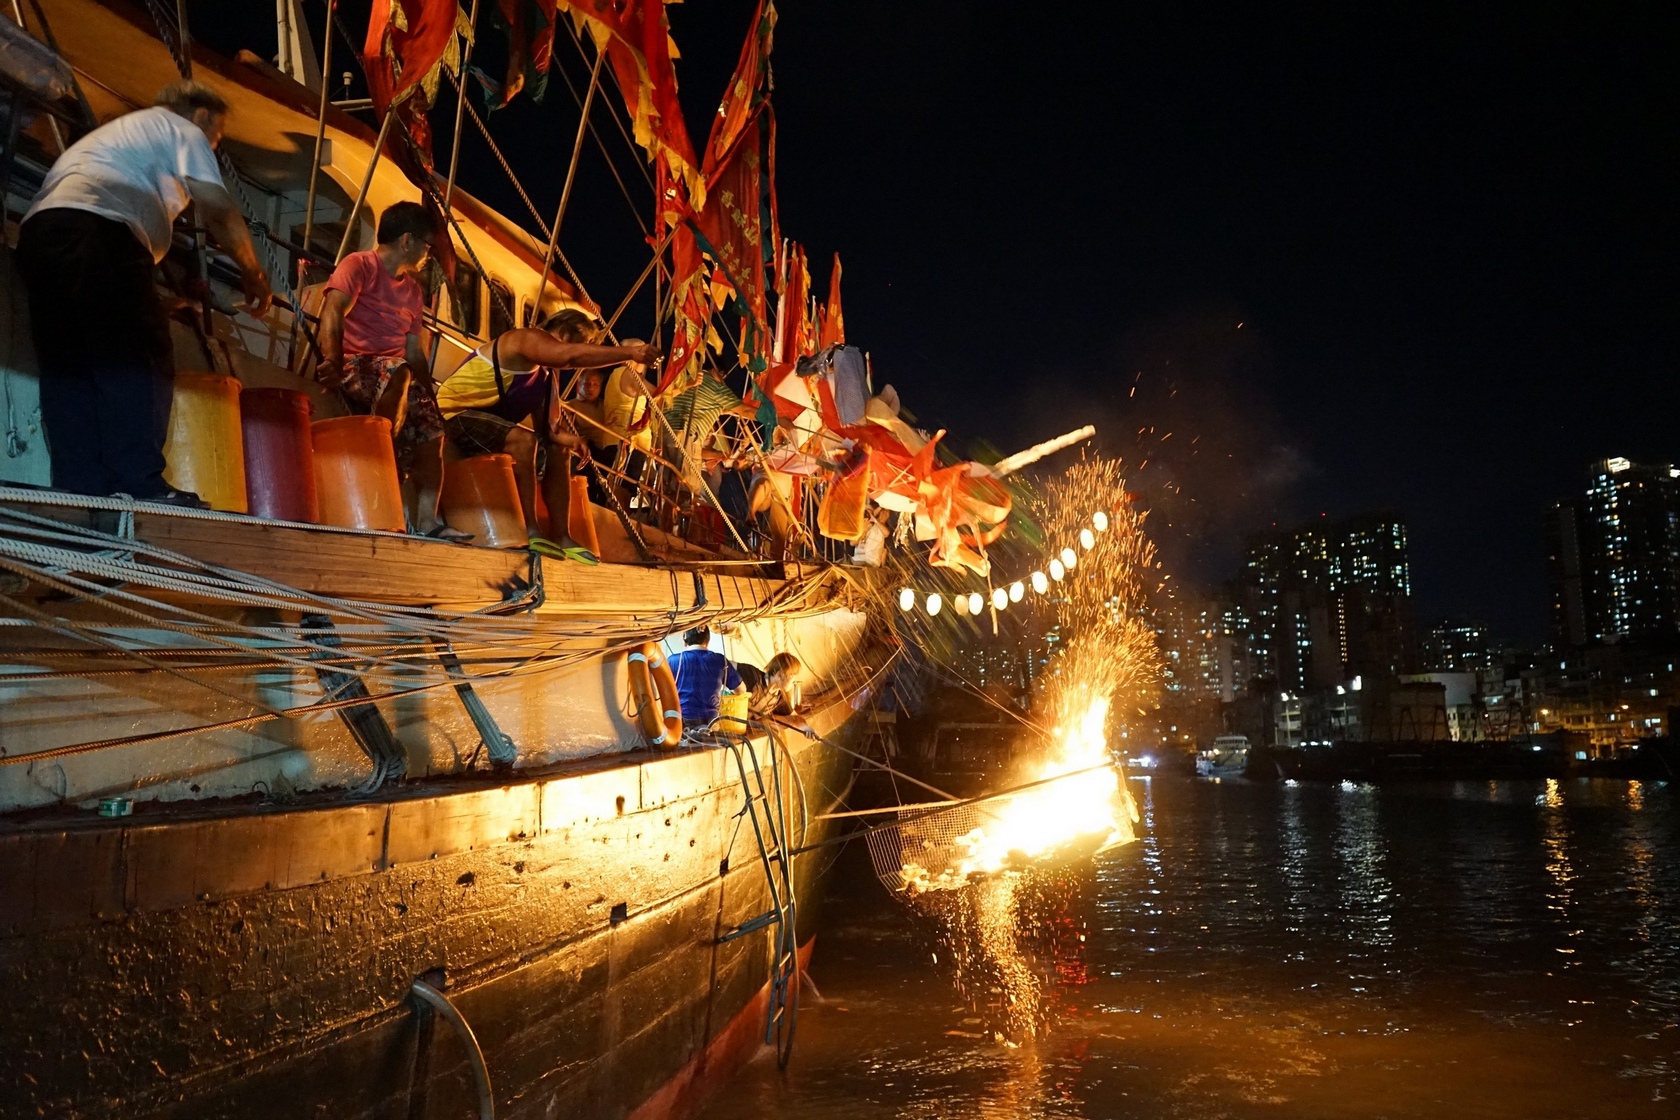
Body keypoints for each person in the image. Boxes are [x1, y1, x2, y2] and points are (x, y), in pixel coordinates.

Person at [16, 80, 271, 503]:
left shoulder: (122, 134)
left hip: (43, 235)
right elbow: (217, 208)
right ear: (202, 116)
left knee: (70, 364)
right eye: (217, 136)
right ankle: (138, 480)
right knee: (139, 356)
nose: (213, 144)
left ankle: (80, 487)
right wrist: (253, 273)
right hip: (101, 230)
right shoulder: (181, 129)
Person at [435, 309, 660, 552]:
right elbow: (569, 357)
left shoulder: (545, 374)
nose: (583, 356)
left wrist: (573, 440)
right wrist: (631, 353)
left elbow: (550, 428)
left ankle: (562, 535)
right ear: (564, 334)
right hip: (452, 415)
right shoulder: (525, 338)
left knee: (559, 450)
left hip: (488, 426)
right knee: (524, 440)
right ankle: (531, 530)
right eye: (582, 345)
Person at [315, 202, 463, 538]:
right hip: (355, 363)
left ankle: (428, 522)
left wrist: (432, 401)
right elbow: (333, 310)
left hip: (397, 373)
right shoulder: (360, 265)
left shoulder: (413, 292)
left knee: (433, 430)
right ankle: (384, 461)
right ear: (407, 240)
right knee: (400, 371)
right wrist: (333, 361)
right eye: (428, 246)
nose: (429, 255)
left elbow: (415, 352)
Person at [668, 626, 741, 731]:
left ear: (684, 641)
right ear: (707, 641)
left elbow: (660, 693)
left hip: (684, 723)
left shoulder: (673, 661)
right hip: (712, 723)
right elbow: (741, 690)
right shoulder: (720, 660)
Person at [747, 652, 803, 719]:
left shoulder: (780, 699)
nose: (794, 683)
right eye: (793, 680)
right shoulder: (751, 675)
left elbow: (796, 718)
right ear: (779, 676)